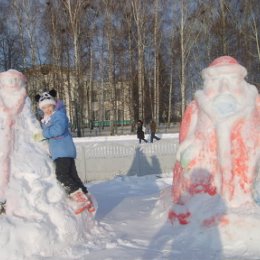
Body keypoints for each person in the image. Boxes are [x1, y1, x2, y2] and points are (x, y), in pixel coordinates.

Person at [169, 56, 260, 224]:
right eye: (216, 80)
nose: (223, 87)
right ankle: (202, 203)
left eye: (231, 79)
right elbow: (186, 136)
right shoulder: (196, 107)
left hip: (248, 175)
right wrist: (188, 147)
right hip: (205, 173)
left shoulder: (254, 104)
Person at [37, 90, 95, 214]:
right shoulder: (49, 118)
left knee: (62, 176)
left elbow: (58, 129)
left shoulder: (59, 115)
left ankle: (80, 200)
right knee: (73, 176)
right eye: (44, 107)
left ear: (53, 105)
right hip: (64, 151)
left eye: (49, 106)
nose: (47, 109)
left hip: (62, 152)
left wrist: (44, 133)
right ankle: (87, 198)